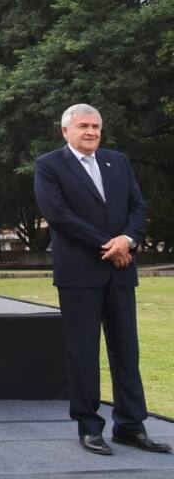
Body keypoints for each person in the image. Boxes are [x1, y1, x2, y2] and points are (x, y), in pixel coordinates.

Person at [33, 104, 170, 456]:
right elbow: (58, 216)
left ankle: (130, 425)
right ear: (66, 131)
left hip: (121, 270)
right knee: (83, 351)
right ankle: (90, 426)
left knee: (127, 349)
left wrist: (128, 239)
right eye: (83, 126)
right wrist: (107, 245)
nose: (92, 132)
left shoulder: (118, 162)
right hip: (79, 273)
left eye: (96, 126)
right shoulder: (49, 166)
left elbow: (138, 207)